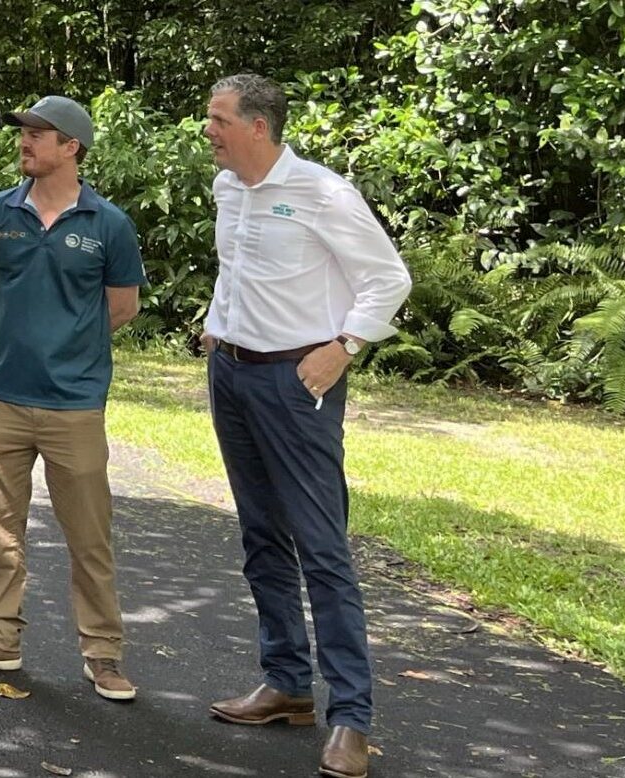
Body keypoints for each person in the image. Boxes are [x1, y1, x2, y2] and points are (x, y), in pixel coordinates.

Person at [198, 73, 410, 778]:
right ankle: (287, 683)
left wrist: (343, 346)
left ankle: (352, 717)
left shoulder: (323, 193)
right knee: (260, 534)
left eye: (220, 119)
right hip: (231, 375)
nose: (209, 130)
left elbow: (389, 279)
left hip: (296, 386)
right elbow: (238, 269)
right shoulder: (229, 188)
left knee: (321, 548)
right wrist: (216, 323)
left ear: (259, 126)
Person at [0, 95, 144, 704]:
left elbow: (121, 306)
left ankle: (102, 655)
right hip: (2, 398)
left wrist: (66, 346)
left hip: (75, 405)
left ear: (71, 147)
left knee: (89, 537)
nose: (24, 142)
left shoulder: (110, 224)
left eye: (38, 134)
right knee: (0, 533)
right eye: (23, 131)